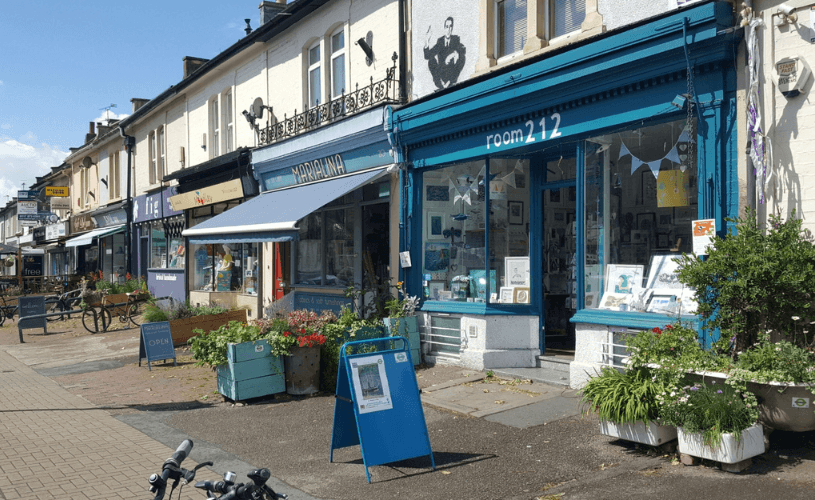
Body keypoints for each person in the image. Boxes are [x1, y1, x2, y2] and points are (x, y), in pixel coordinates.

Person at [424, 16, 466, 90]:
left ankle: (450, 82)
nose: (448, 29)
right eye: (447, 27)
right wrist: (427, 41)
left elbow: (463, 49)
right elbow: (427, 56)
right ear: (444, 28)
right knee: (431, 60)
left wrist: (453, 54)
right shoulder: (440, 42)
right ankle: (441, 84)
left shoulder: (455, 39)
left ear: (452, 28)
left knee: (462, 57)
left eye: (450, 27)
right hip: (441, 73)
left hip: (451, 73)